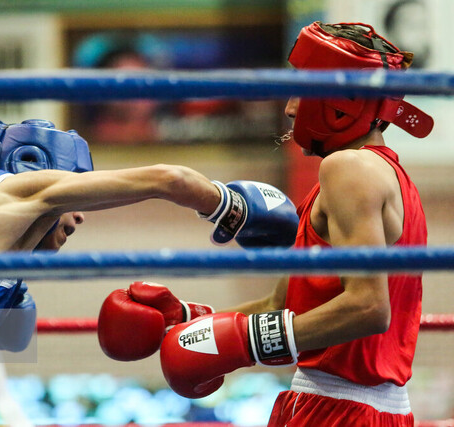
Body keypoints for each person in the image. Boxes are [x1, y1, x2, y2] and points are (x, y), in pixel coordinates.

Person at [0, 118, 298, 426]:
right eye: (74, 197)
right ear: (33, 168)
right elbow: (168, 179)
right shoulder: (15, 191)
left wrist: (0, 307)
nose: (79, 215)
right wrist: (229, 207)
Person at [98, 21, 433, 426]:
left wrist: (247, 345)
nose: (291, 108)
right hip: (355, 405)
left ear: (340, 102)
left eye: (301, 91)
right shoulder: (389, 178)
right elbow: (284, 304)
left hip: (341, 407)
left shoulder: (349, 168)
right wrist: (188, 322)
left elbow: (368, 307)